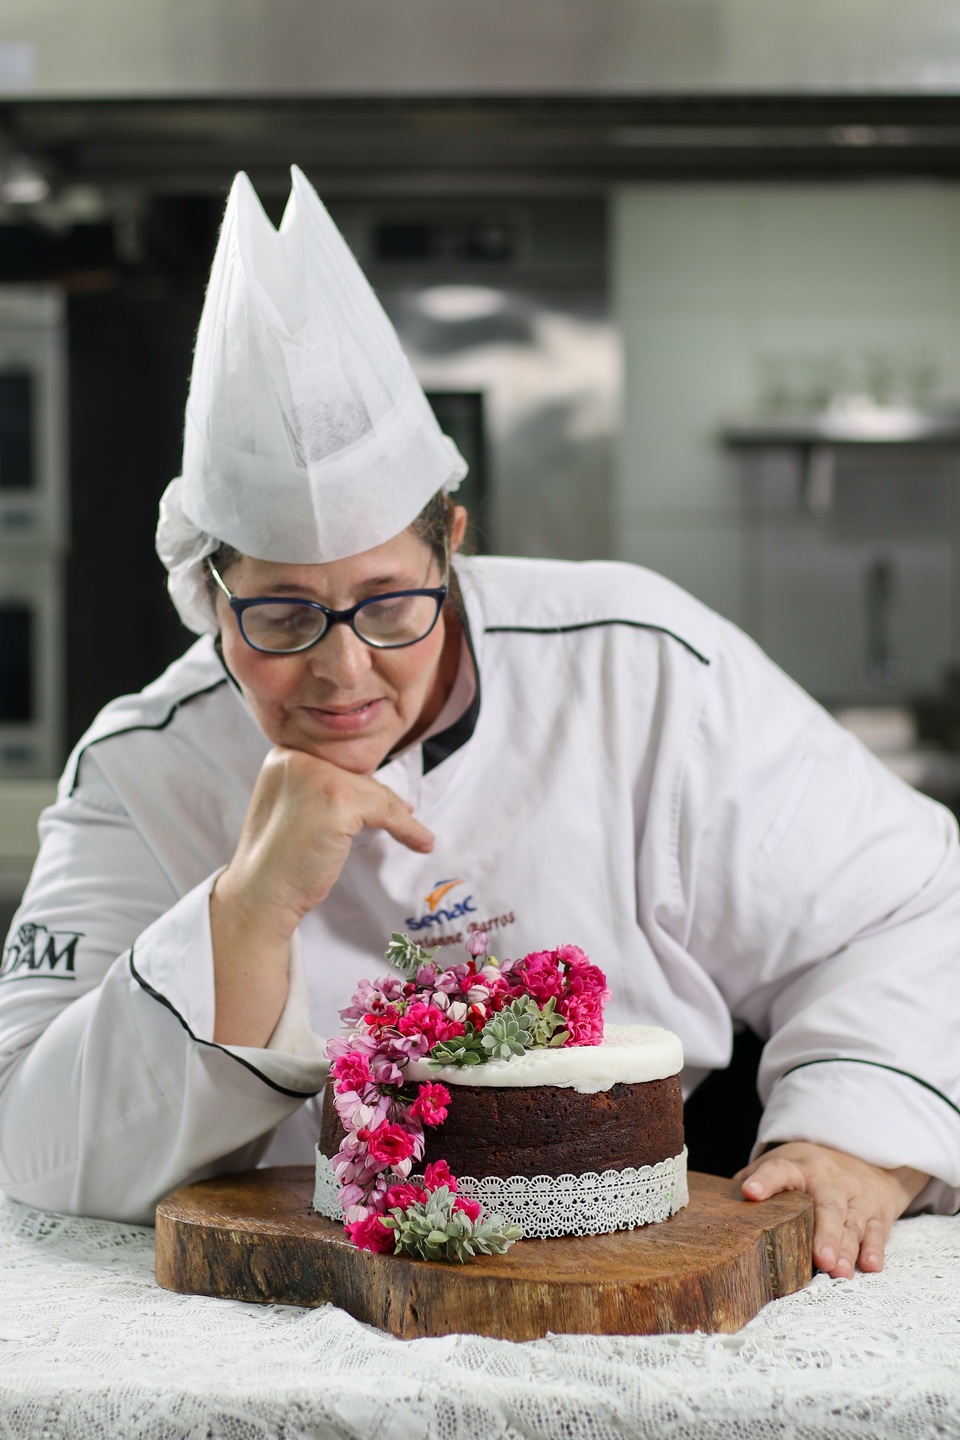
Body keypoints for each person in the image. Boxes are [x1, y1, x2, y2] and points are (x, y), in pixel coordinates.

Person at [1, 169, 957, 1284]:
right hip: (268, 1307)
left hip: (626, 1282)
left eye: (389, 602)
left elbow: (908, 904)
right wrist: (247, 907)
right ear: (204, 592)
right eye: (279, 613)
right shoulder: (140, 771)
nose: (342, 668)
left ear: (451, 544)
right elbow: (30, 1137)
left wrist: (855, 1136)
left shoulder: (639, 668)